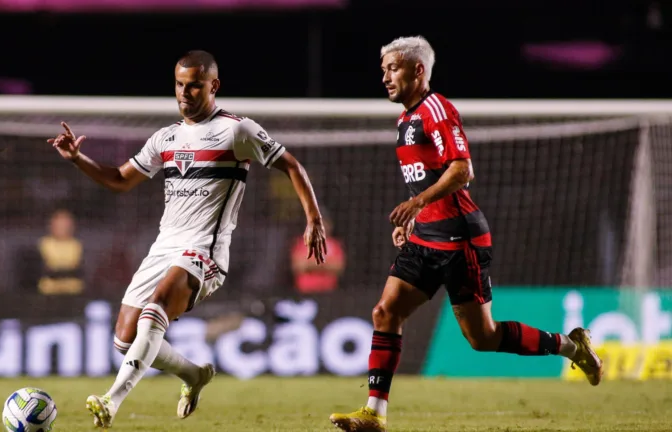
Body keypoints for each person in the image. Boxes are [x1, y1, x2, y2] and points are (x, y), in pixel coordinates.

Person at [329, 36, 603, 432]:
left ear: (417, 70)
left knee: (483, 337)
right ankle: (374, 413)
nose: (385, 77)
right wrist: (412, 218)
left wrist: (418, 203)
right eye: (383, 69)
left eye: (393, 68)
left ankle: (570, 346)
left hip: (460, 240)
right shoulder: (405, 119)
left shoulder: (437, 110)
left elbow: (462, 170)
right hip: (425, 238)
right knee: (385, 312)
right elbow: (426, 178)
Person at [47, 50, 327, 429]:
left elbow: (290, 164)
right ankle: (194, 375)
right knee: (125, 340)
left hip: (205, 249)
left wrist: (312, 218)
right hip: (163, 246)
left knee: (157, 307)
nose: (185, 92)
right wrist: (78, 159)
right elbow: (118, 180)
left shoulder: (237, 130)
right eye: (180, 84)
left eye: (194, 84)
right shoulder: (166, 138)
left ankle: (111, 401)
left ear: (214, 86)